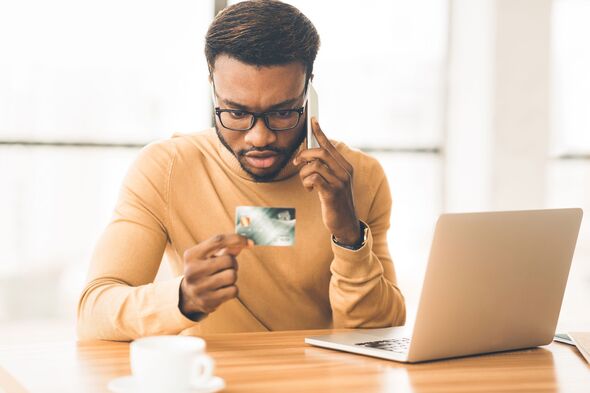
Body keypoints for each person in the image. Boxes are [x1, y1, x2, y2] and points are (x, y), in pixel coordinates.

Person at [77, 0, 405, 341]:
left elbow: (382, 333)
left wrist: (349, 236)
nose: (259, 137)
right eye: (235, 113)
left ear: (309, 89)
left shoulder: (359, 178)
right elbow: (93, 313)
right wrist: (181, 299)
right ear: (213, 87)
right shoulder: (167, 169)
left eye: (282, 113)